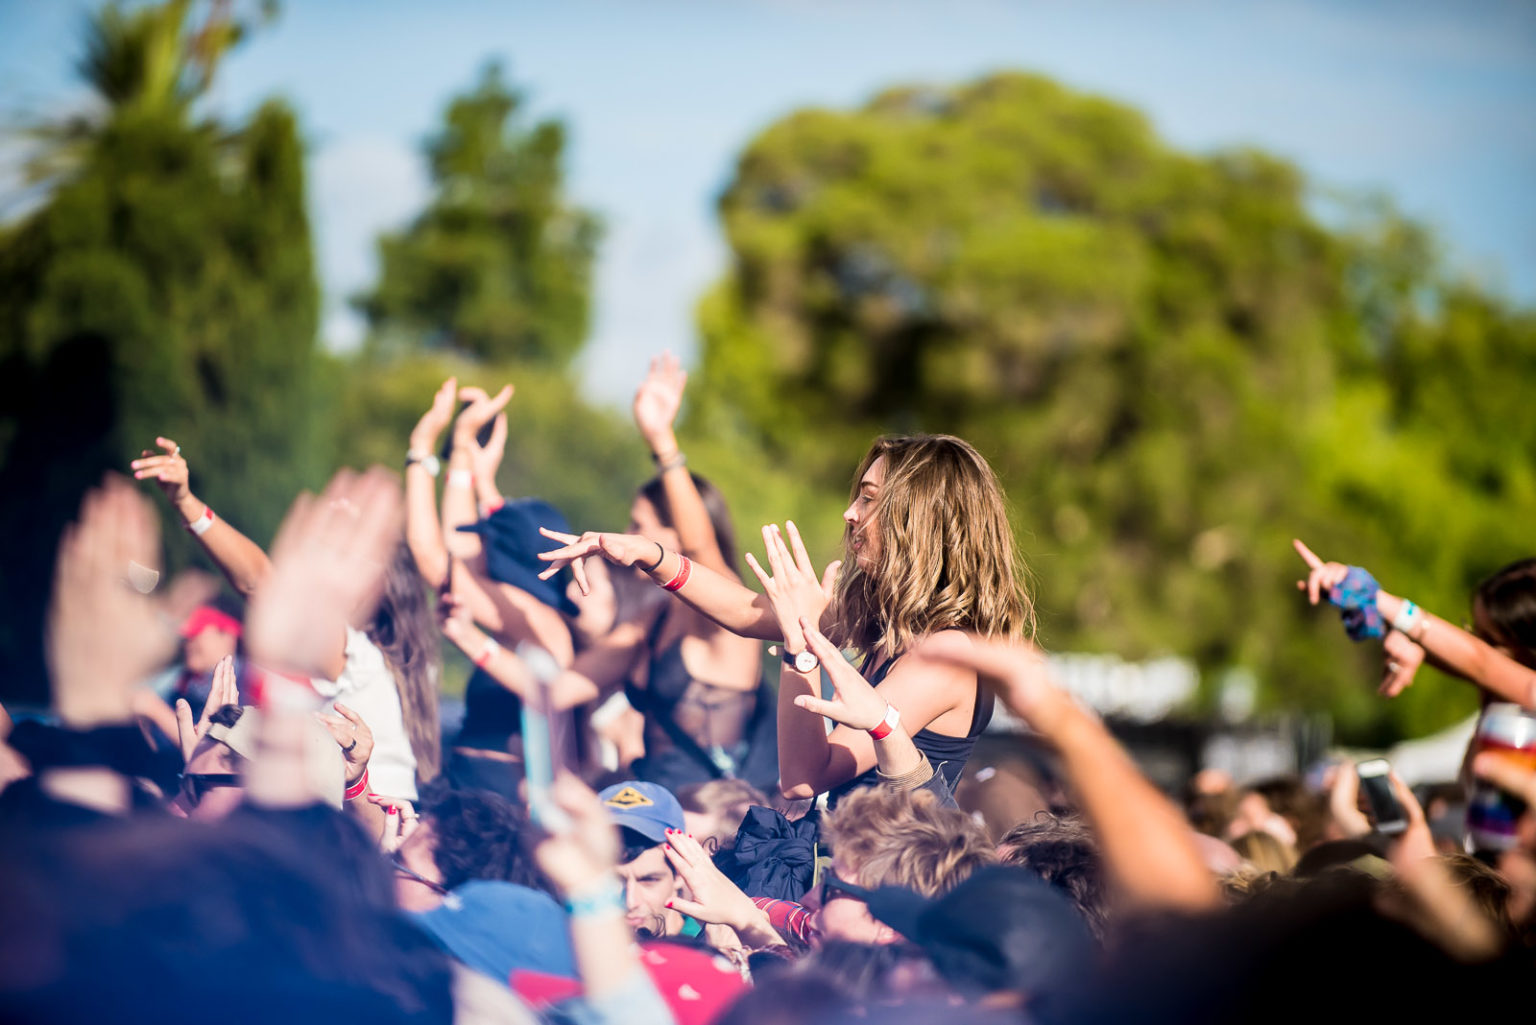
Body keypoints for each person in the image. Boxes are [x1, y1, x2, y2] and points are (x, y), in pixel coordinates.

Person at [539, 432, 1034, 802]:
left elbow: (804, 777)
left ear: (917, 520)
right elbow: (742, 611)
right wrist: (651, 554)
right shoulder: (886, 621)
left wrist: (803, 650)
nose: (849, 513)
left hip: (888, 899)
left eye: (868, 498)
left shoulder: (944, 655)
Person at [132, 438, 440, 800]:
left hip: (373, 826)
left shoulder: (360, 658)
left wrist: (188, 503)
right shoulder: (378, 660)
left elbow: (260, 583)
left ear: (370, 584)